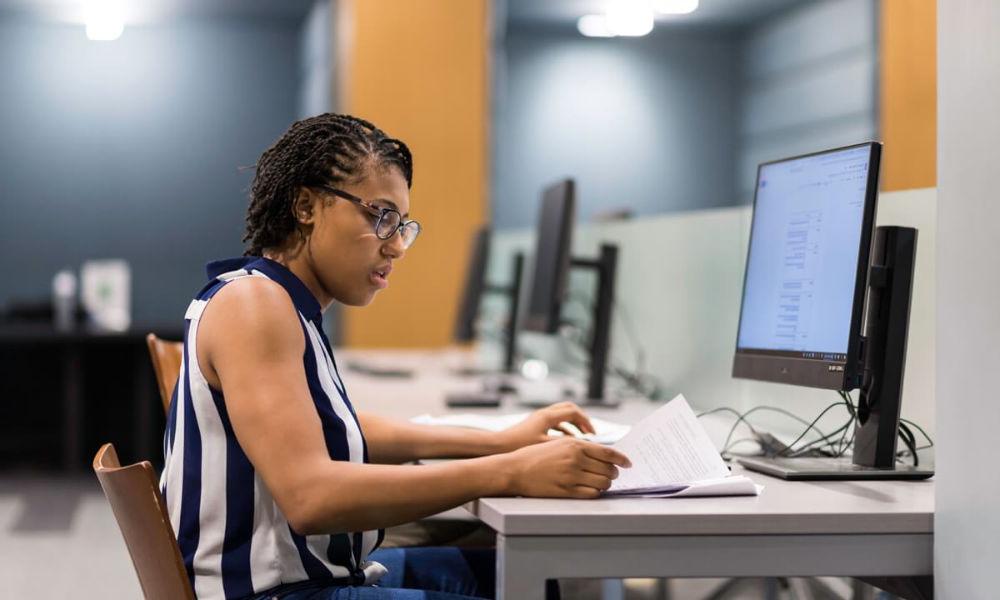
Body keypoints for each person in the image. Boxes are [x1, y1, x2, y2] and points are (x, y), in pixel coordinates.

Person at [160, 113, 631, 600]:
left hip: (312, 574)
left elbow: (336, 428)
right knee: (572, 583)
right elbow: (311, 497)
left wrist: (502, 442)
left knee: (565, 576)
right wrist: (511, 470)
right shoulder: (254, 306)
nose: (399, 245)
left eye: (402, 224)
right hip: (279, 591)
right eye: (380, 216)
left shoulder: (274, 299)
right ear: (305, 205)